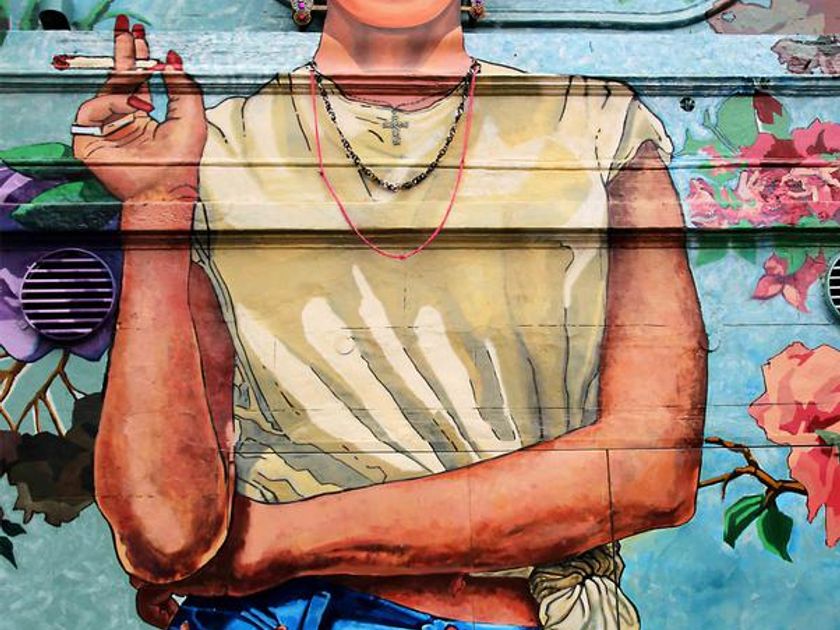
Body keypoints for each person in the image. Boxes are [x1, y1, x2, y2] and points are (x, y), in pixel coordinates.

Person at [71, 2, 708, 628]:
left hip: (488, 612)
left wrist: (273, 543)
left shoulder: (596, 124)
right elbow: (165, 539)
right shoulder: (211, 151)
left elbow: (651, 470)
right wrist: (157, 204)